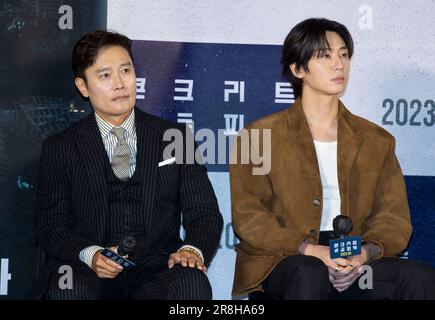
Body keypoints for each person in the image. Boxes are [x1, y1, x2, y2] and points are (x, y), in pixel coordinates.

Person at [230, 18, 435, 300]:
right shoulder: (259, 136)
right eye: (325, 55)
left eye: (343, 54)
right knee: (309, 272)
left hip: (352, 256)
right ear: (298, 68)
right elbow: (251, 218)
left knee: (419, 278)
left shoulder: (377, 140)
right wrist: (312, 250)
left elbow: (394, 219)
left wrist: (364, 253)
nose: (339, 64)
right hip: (286, 258)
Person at [35, 30, 223, 300]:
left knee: (191, 283)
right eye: (105, 76)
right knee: (68, 289)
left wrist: (191, 250)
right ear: (83, 86)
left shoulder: (176, 137)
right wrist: (92, 254)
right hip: (87, 269)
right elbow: (51, 226)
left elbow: (204, 213)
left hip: (158, 267)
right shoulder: (60, 148)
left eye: (126, 70)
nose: (120, 83)